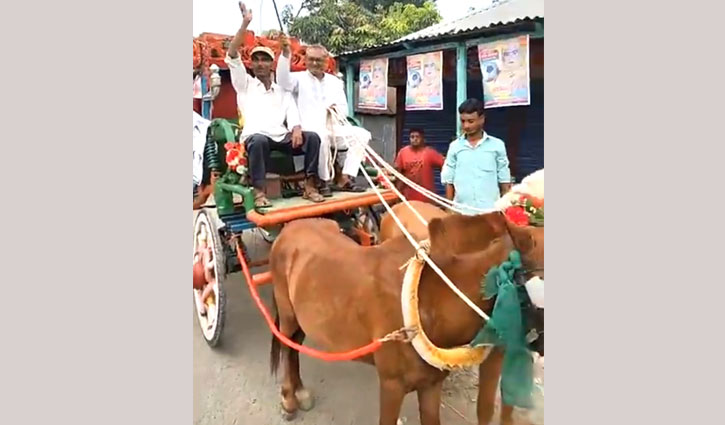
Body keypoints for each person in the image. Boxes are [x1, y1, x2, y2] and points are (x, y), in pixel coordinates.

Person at [225, 2, 324, 207]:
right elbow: (233, 53)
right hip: (256, 138)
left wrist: (296, 127)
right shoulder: (245, 84)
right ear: (251, 64)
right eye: (256, 60)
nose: (260, 63)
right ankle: (259, 192)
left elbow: (292, 110)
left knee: (313, 137)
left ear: (272, 64)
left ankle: (310, 185)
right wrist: (245, 24)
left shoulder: (281, 90)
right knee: (259, 140)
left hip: (280, 136)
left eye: (265, 60)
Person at [276, 34, 368, 194]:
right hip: (309, 130)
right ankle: (324, 181)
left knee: (361, 135)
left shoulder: (335, 82)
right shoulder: (298, 79)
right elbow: (282, 80)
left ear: (326, 62)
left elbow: (344, 110)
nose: (314, 63)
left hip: (333, 126)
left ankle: (346, 176)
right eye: (311, 59)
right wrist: (285, 54)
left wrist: (335, 110)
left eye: (319, 60)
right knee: (321, 138)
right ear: (305, 60)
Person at [441, 98, 512, 215]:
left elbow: (504, 179)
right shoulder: (455, 147)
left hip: (490, 213)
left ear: (482, 119)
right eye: (463, 121)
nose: (466, 126)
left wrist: (506, 208)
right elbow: (449, 180)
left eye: (470, 121)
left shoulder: (497, 145)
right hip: (462, 213)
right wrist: (449, 208)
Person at [393, 128, 445, 203]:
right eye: (412, 137)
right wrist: (397, 194)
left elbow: (446, 166)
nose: (415, 139)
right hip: (409, 199)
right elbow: (398, 174)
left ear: (422, 138)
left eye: (417, 137)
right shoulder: (403, 152)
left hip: (427, 199)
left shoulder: (429, 153)